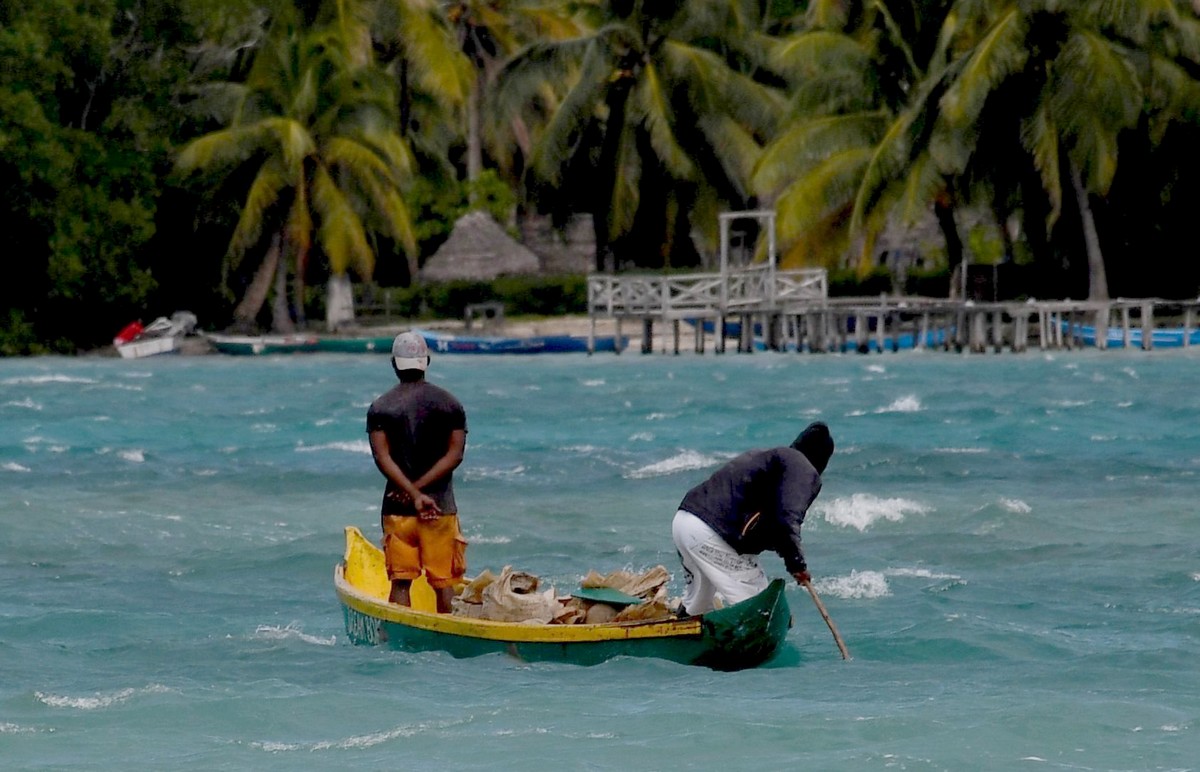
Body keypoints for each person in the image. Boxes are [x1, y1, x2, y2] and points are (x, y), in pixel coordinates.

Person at [671, 421, 834, 615]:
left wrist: (788, 553)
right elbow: (787, 518)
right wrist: (796, 564)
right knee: (765, 611)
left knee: (696, 607)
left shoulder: (773, 460)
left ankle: (677, 638)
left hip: (685, 521)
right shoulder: (803, 468)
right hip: (711, 532)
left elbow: (775, 523)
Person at [366, 331, 468, 613]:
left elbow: (382, 457)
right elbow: (455, 454)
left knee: (400, 583)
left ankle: (398, 645)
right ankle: (451, 643)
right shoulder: (450, 404)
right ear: (428, 361)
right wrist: (423, 492)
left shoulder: (380, 407)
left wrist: (411, 493)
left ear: (394, 364)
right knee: (443, 583)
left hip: (398, 509)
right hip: (439, 509)